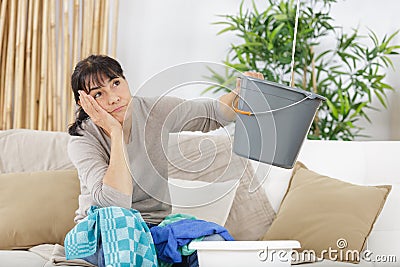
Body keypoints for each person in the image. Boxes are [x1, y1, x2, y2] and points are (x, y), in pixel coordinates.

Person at [67, 54, 264, 267]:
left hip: (153, 229)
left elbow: (211, 114)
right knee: (124, 234)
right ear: (84, 103)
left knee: (212, 244)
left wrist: (241, 93)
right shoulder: (82, 140)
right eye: (98, 94)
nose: (113, 98)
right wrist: (116, 133)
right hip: (102, 234)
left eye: (116, 83)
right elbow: (117, 204)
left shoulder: (153, 111)